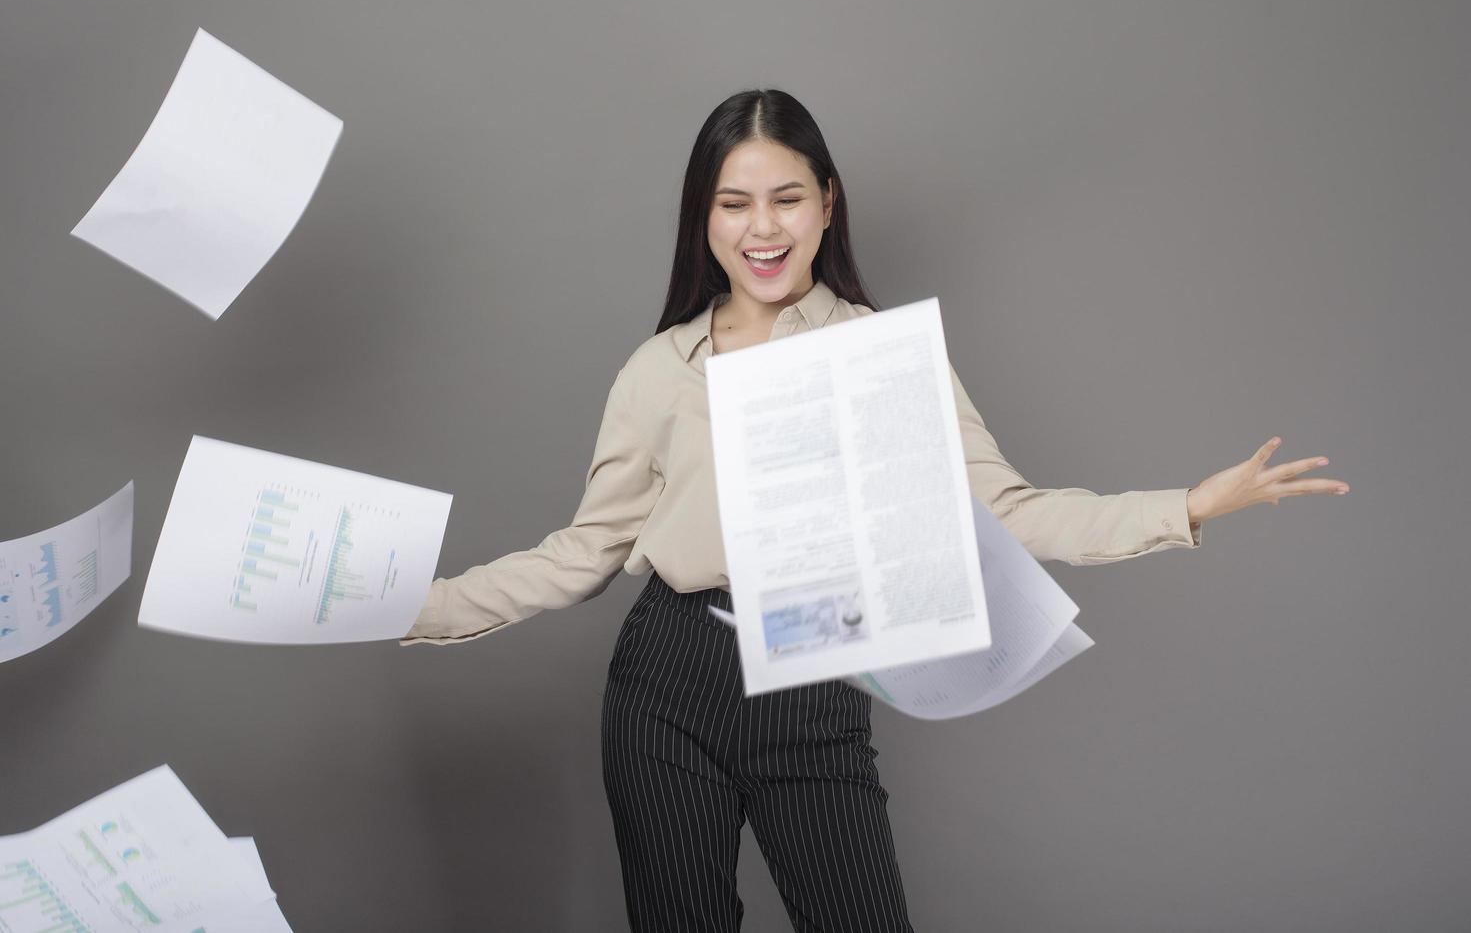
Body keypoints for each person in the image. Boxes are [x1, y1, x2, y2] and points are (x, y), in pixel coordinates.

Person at [400, 89, 1349, 932]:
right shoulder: (660, 370)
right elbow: (582, 554)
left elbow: (1003, 511)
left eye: (785, 198)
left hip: (816, 666)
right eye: (733, 203)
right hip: (667, 679)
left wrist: (1185, 506)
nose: (760, 228)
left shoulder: (882, 356)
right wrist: (409, 605)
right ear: (703, 219)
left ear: (826, 202)